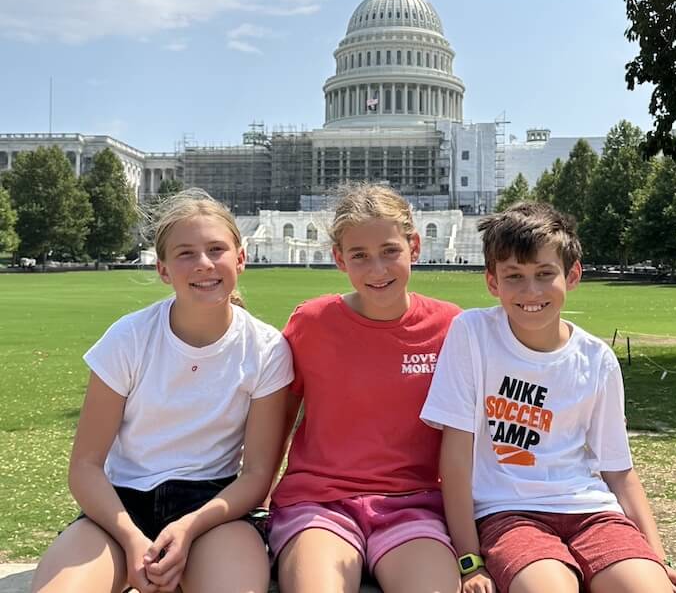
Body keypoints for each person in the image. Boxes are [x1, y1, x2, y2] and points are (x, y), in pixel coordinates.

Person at [421, 202, 676, 593]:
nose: (531, 291)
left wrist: (659, 561)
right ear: (493, 282)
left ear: (571, 275)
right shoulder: (472, 334)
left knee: (646, 587)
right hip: (509, 512)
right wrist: (470, 560)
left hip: (591, 511)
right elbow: (456, 456)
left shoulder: (596, 359)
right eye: (514, 276)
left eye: (544, 274)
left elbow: (619, 471)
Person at [32, 189, 293, 593]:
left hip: (213, 512)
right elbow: (85, 465)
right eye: (185, 253)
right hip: (119, 507)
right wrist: (132, 539)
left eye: (216, 249)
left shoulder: (266, 348)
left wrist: (189, 527)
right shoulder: (129, 337)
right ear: (164, 269)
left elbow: (258, 474)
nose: (204, 263)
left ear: (241, 258)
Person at [269, 184, 462, 593]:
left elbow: (472, 429)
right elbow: (279, 421)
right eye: (360, 255)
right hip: (319, 503)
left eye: (390, 250)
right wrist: (259, 497)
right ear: (340, 258)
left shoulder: (451, 327)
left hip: (414, 506)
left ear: (415, 245)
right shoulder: (312, 323)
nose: (377, 269)